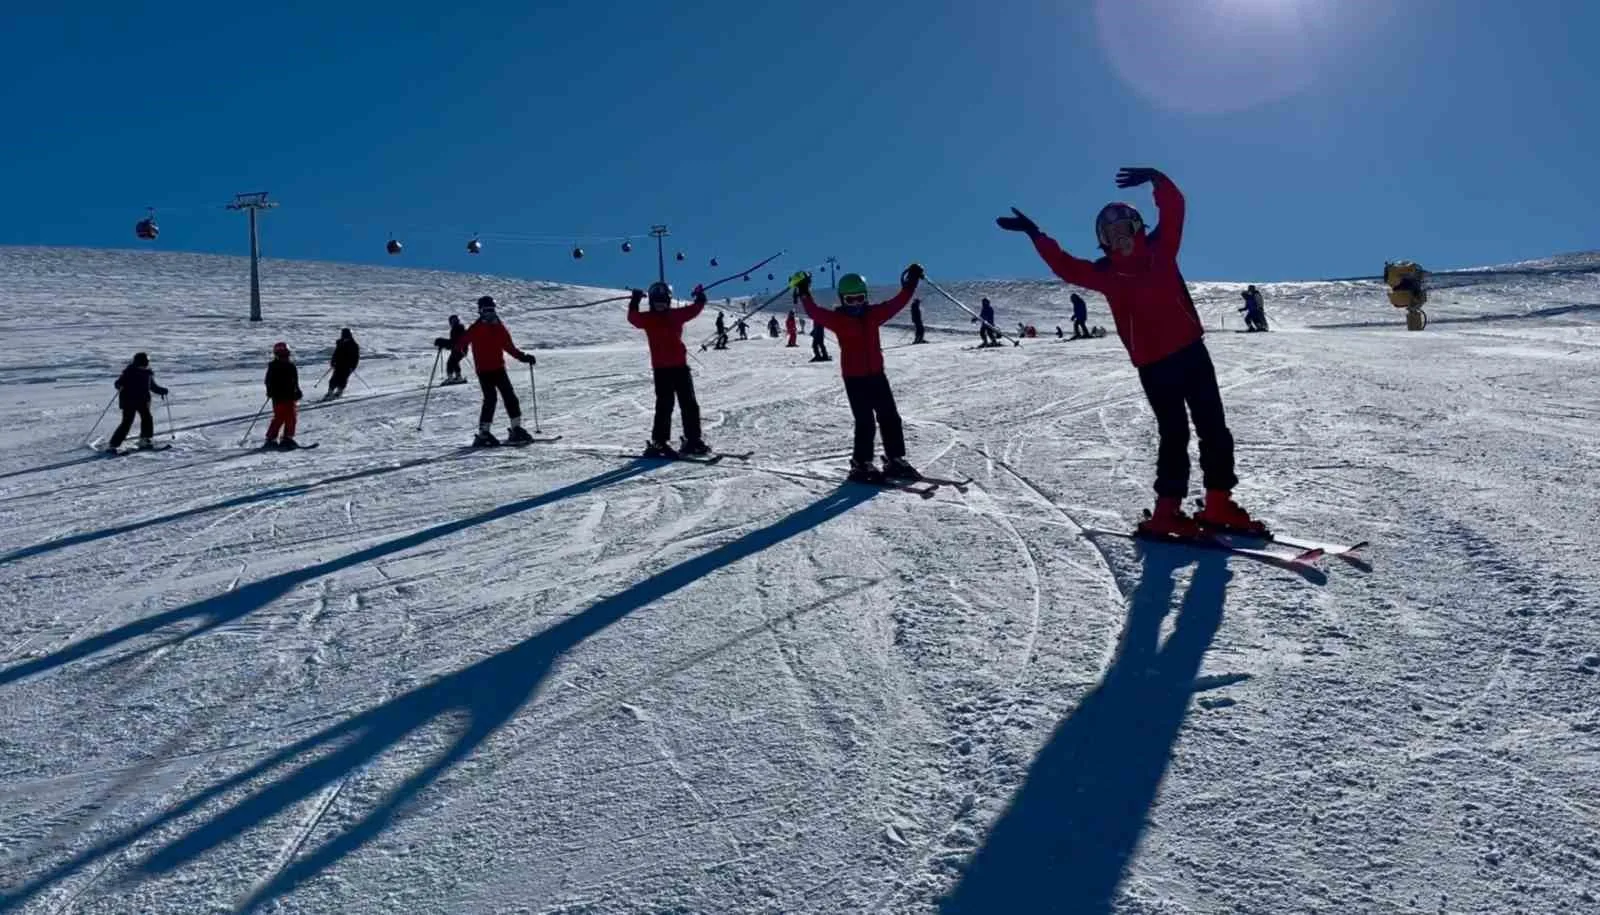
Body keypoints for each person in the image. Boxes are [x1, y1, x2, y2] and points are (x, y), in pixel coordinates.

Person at [996, 166, 1265, 537]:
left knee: (1214, 428)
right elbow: (1065, 265)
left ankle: (1218, 503)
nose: (1120, 240)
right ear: (1103, 240)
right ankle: (1167, 511)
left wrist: (1158, 179)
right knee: (1174, 434)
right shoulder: (1105, 273)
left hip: (1191, 352)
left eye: (1126, 231)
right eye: (1112, 235)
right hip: (1154, 365)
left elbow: (1175, 210)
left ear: (1138, 230)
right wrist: (1035, 234)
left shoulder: (1161, 249)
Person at [797, 265, 923, 482]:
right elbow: (814, 312)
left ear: (865, 297)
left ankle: (895, 459)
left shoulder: (873, 315)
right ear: (842, 299)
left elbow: (898, 302)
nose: (855, 304)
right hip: (855, 378)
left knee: (890, 417)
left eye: (859, 298)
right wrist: (804, 291)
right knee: (864, 420)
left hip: (877, 375)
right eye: (850, 300)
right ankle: (861, 463)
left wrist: (911, 282)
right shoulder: (838, 320)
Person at [628, 281, 710, 457]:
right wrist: (634, 300)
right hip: (661, 370)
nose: (660, 305)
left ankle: (693, 440)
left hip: (680, 367)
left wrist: (700, 297)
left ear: (669, 301)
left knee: (689, 404)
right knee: (665, 405)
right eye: (657, 302)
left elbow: (694, 309)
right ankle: (659, 442)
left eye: (663, 302)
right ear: (651, 302)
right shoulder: (648, 318)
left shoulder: (676, 315)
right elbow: (633, 318)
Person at [455, 295, 537, 446]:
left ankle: (516, 429)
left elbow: (509, 347)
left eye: (492, 310)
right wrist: (451, 346)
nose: (490, 313)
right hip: (484, 371)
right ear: (480, 311)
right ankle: (483, 433)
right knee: (490, 399)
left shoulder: (500, 328)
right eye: (486, 310)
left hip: (498, 368)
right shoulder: (476, 328)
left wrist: (523, 357)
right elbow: (460, 343)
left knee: (510, 397)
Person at [107, 352, 168, 452]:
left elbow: (152, 387)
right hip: (129, 401)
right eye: (144, 362)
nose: (145, 364)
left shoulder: (147, 373)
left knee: (147, 418)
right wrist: (119, 386)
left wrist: (162, 390)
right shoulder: (129, 372)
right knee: (127, 422)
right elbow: (118, 383)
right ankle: (113, 444)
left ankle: (145, 439)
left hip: (143, 401)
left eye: (147, 362)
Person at [264, 341, 304, 449]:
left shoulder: (291, 366)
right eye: (282, 355)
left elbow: (295, 380)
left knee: (291, 417)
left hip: (291, 396)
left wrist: (298, 390)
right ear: (276, 355)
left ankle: (287, 437)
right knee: (279, 417)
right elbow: (268, 381)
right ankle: (271, 438)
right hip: (278, 396)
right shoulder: (273, 366)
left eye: (286, 355)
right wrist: (270, 391)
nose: (284, 357)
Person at [324, 328, 360, 400]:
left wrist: (353, 366)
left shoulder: (354, 345)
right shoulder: (340, 343)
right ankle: (330, 392)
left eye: (344, 334)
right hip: (338, 364)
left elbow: (356, 357)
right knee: (333, 379)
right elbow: (335, 354)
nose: (343, 335)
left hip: (347, 366)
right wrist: (333, 362)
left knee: (343, 379)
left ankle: (339, 392)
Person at [434, 315, 469, 384]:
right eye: (452, 321)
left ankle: (451, 378)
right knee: (454, 362)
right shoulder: (458, 328)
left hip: (460, 349)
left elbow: (455, 341)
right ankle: (458, 377)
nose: (453, 322)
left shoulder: (457, 328)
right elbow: (454, 342)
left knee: (451, 363)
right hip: (460, 349)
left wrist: (444, 343)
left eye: (454, 320)